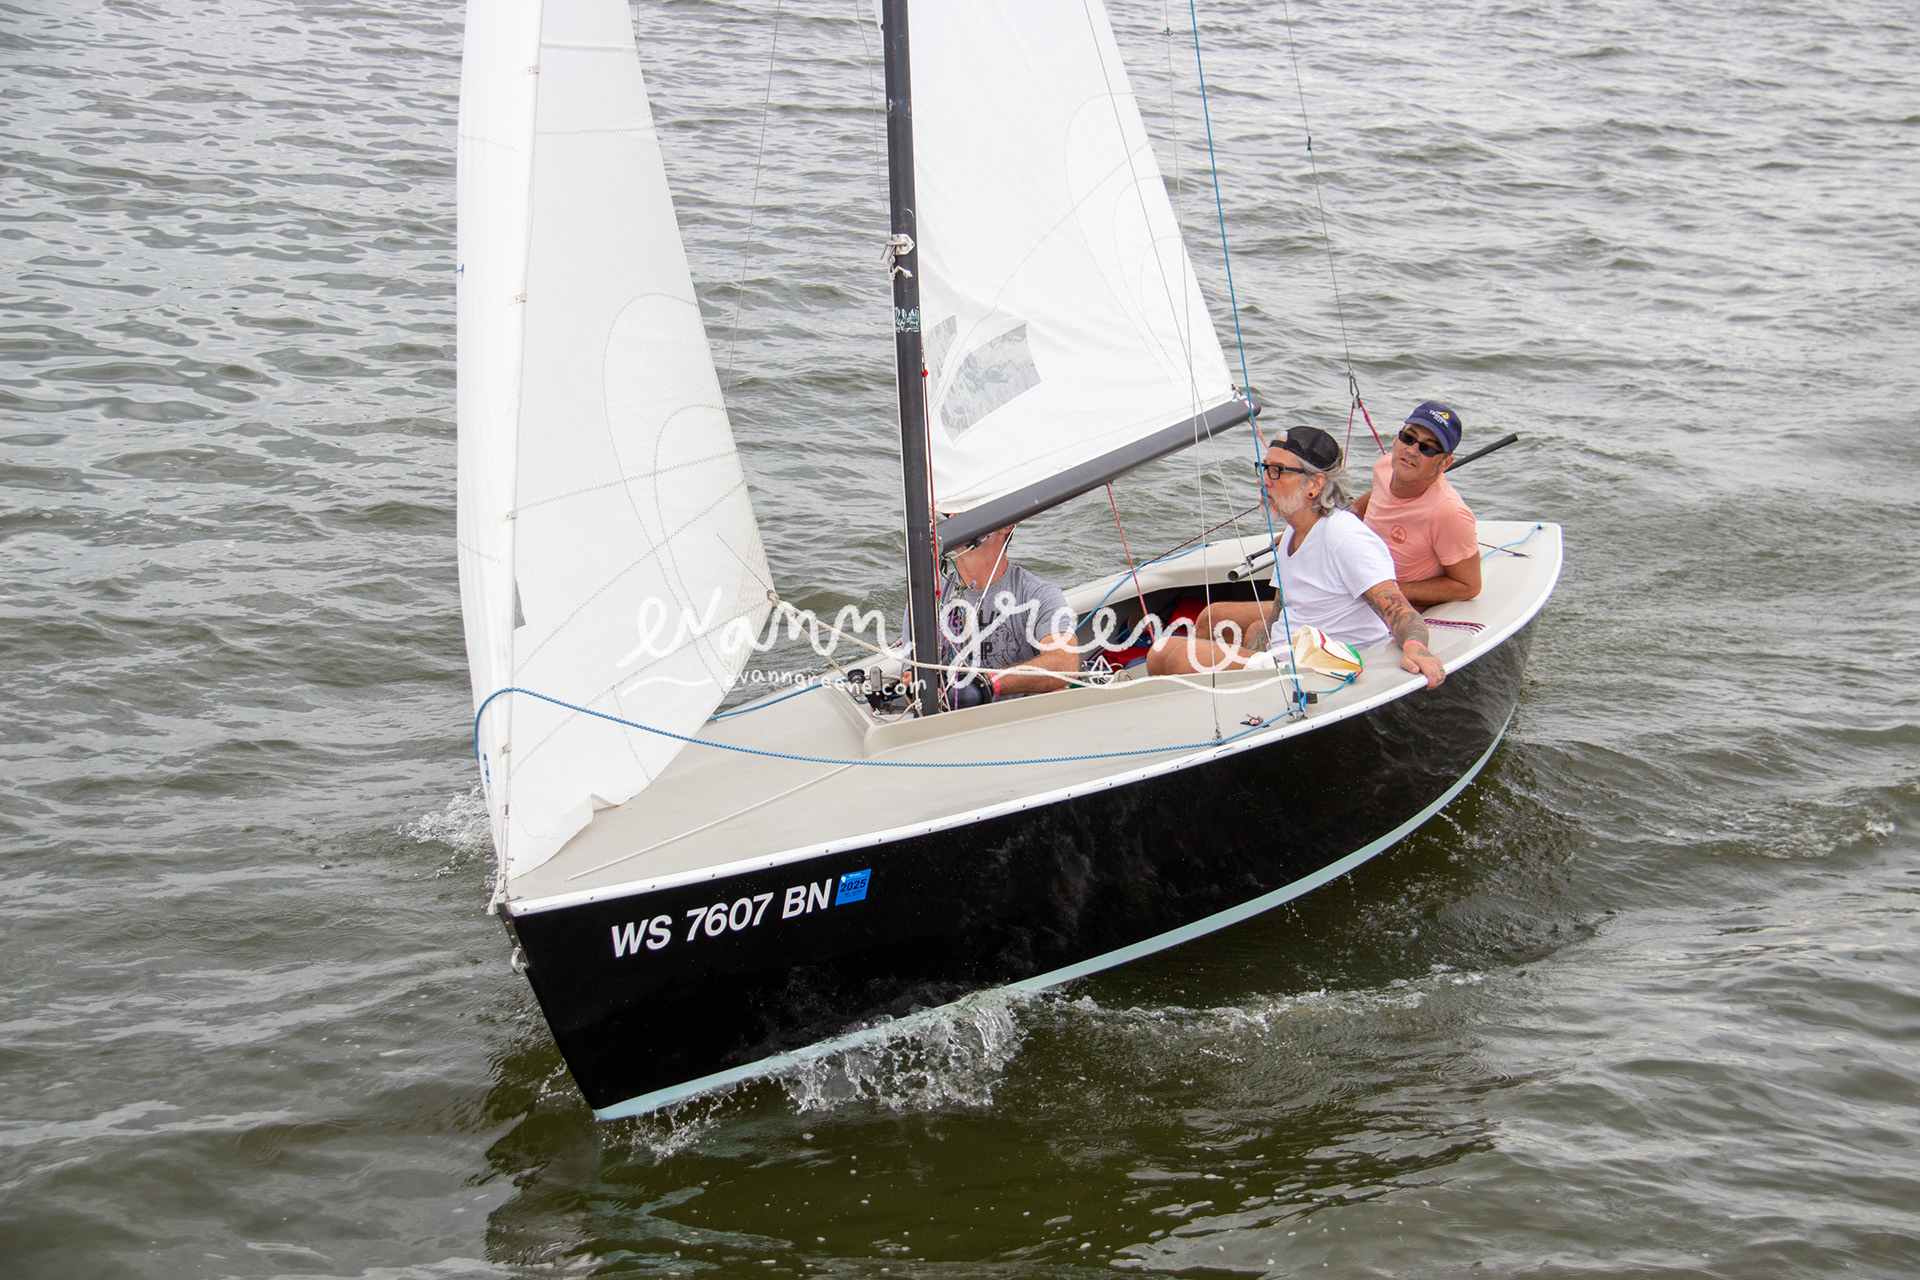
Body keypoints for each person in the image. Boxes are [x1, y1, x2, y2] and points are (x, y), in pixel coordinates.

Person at [1144, 425, 1445, 689]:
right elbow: (1279, 616)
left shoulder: (1346, 538)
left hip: (1321, 668)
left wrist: (1416, 648)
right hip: (1286, 657)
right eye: (1264, 468)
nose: (1264, 480)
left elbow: (1402, 614)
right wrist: (1253, 657)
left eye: (1278, 471)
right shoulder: (1293, 532)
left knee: (1173, 655)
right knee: (1184, 639)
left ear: (1314, 484)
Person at [1351, 400, 1481, 606]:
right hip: (1353, 582)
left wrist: (1384, 591)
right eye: (1408, 438)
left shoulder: (1449, 512)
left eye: (1428, 448)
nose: (1412, 451)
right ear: (1396, 439)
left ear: (1445, 463)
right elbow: (1375, 497)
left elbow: (1469, 586)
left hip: (1390, 606)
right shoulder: (1384, 467)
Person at [936, 524, 1080, 702]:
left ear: (1005, 526)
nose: (955, 520)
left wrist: (987, 684)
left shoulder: (1038, 594)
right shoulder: (928, 596)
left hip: (1018, 716)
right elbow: (910, 673)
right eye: (950, 515)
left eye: (964, 513)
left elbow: (1065, 662)